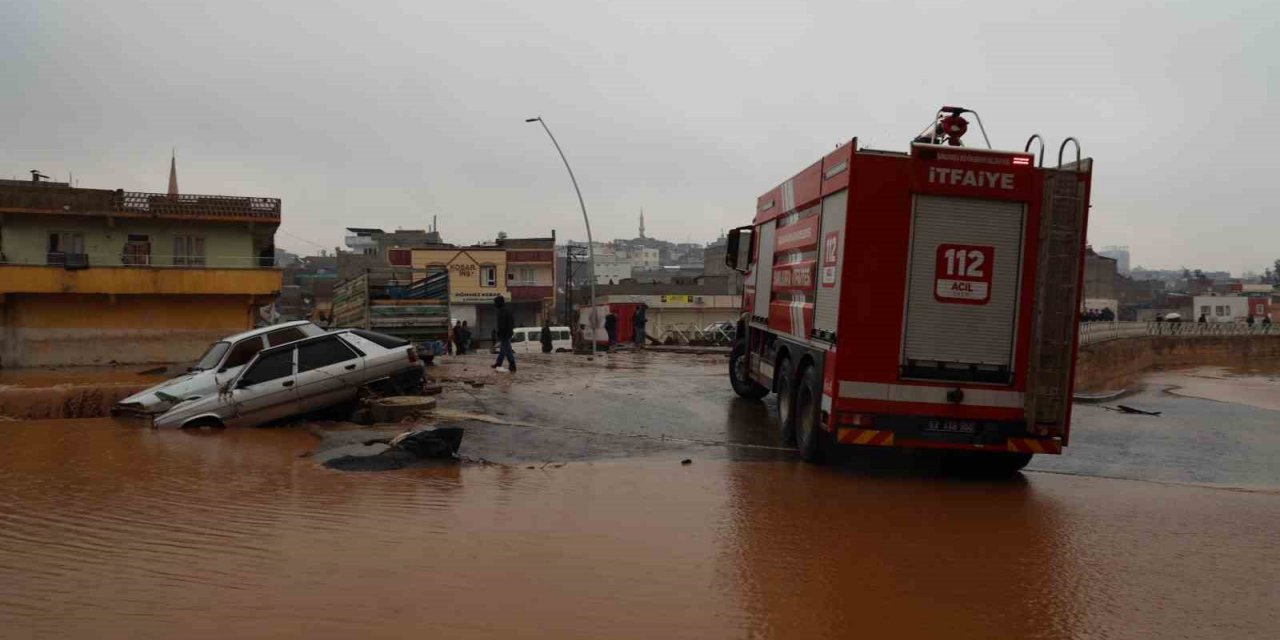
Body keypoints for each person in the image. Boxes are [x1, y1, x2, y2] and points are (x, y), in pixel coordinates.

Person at [492, 295, 516, 373]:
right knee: (507, 350)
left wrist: (500, 334)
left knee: (504, 349)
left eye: (496, 303)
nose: (495, 305)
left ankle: (500, 364)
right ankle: (511, 365)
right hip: (507, 333)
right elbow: (512, 323)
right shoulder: (507, 311)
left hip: (505, 334)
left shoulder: (502, 312)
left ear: (500, 303)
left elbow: (502, 325)